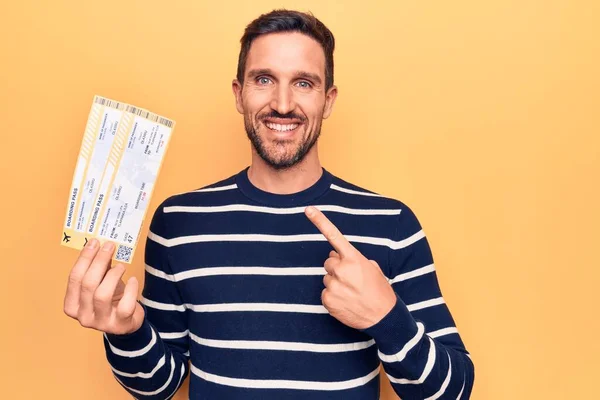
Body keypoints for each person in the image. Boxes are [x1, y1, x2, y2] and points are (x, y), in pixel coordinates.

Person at [64, 9, 475, 400]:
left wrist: (387, 317)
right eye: (264, 79)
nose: (282, 104)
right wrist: (128, 332)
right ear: (239, 94)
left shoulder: (391, 224)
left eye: (303, 83)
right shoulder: (178, 222)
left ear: (328, 100)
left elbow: (453, 391)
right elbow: (160, 386)